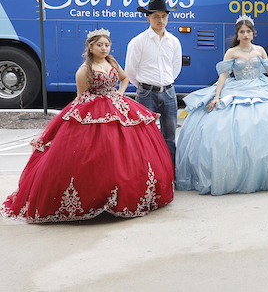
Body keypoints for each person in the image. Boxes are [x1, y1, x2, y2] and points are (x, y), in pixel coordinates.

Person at [3, 29, 174, 222]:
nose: (104, 48)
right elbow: (81, 97)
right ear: (91, 47)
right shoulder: (85, 70)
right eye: (99, 45)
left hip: (117, 105)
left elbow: (124, 78)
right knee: (95, 155)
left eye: (107, 45)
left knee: (129, 151)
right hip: (93, 111)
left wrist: (120, 93)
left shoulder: (112, 62)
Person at [175, 16, 268, 195]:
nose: (245, 34)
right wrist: (218, 96)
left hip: (261, 86)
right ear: (237, 34)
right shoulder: (232, 53)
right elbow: (223, 76)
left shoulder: (260, 50)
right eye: (242, 32)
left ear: (253, 33)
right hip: (238, 87)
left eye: (248, 31)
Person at [125, 0, 183, 164]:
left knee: (170, 137)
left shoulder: (174, 41)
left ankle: (170, 175)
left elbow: (176, 67)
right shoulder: (138, 42)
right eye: (156, 16)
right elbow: (130, 69)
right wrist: (144, 86)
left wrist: (166, 83)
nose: (161, 20)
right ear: (148, 17)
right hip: (146, 94)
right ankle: (146, 174)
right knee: (144, 136)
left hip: (169, 93)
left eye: (164, 16)